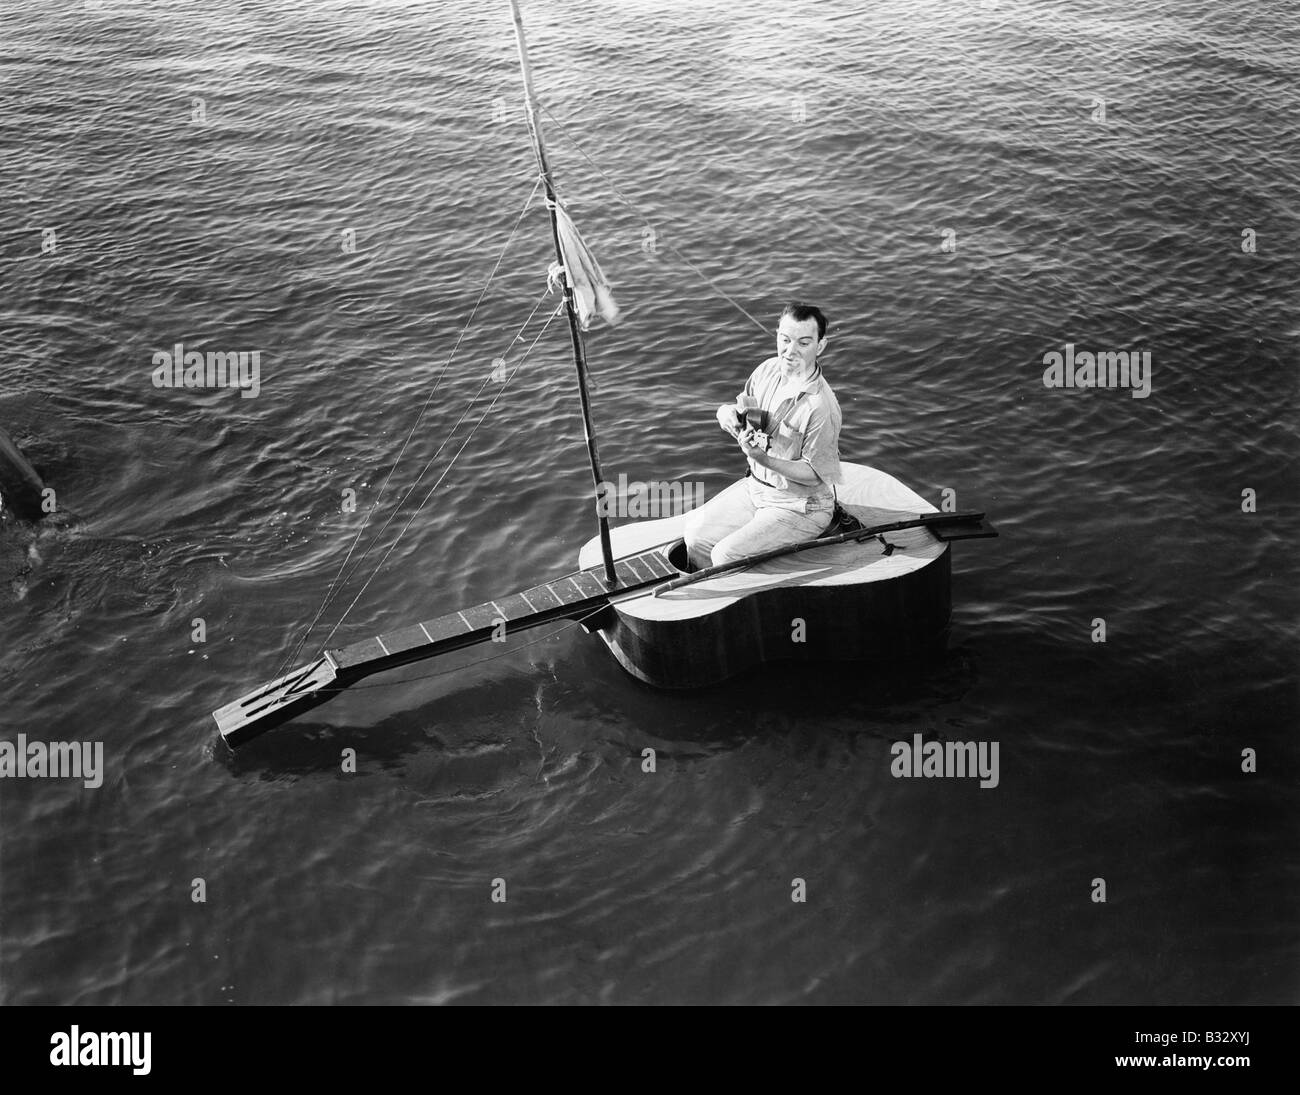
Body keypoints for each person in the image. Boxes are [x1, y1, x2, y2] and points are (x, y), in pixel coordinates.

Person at [684, 301, 844, 571]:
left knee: (725, 556)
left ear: (821, 346)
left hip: (800, 505)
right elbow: (745, 408)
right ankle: (712, 603)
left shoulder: (821, 407)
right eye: (785, 340)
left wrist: (762, 458)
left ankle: (747, 605)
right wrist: (726, 414)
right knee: (696, 538)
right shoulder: (768, 370)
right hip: (756, 488)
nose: (790, 351)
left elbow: (815, 474)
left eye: (803, 343)